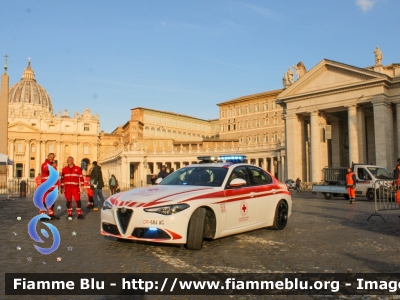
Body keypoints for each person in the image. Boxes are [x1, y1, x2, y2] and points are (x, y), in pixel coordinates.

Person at [40, 153, 59, 219]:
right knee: (44, 200)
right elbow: (46, 170)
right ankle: (43, 214)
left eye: (53, 157)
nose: (51, 158)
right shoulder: (45, 164)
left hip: (52, 186)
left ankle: (51, 214)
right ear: (48, 157)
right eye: (50, 157)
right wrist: (52, 167)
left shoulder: (53, 165)